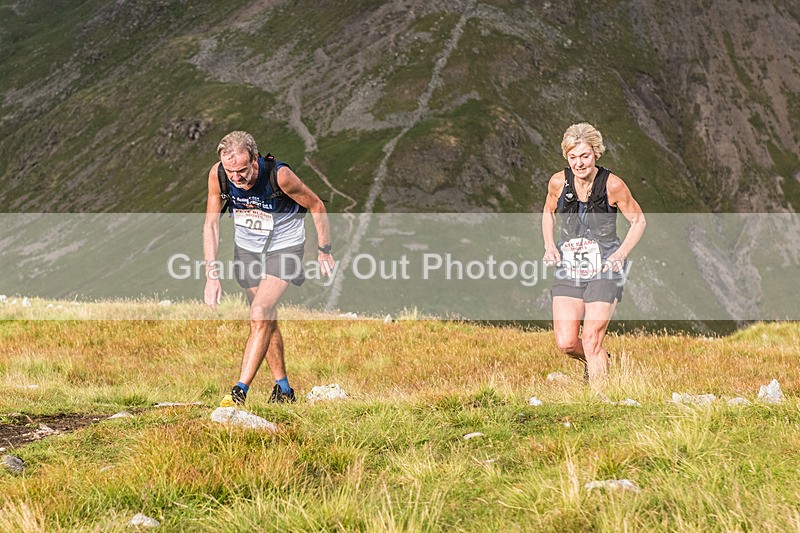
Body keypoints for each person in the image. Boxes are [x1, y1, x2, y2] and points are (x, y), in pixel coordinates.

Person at [203, 131, 334, 406]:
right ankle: (283, 389)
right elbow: (211, 225)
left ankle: (239, 390)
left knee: (259, 312)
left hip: (284, 247)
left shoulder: (280, 176)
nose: (237, 178)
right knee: (265, 318)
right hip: (248, 249)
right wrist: (211, 276)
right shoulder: (219, 175)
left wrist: (324, 251)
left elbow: (317, 205)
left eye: (242, 171)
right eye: (231, 171)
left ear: (255, 160)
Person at [542, 123, 646, 387]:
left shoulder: (613, 185)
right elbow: (547, 212)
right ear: (567, 157)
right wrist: (549, 246)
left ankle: (599, 400)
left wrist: (621, 254)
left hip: (605, 268)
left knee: (590, 338)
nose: (579, 163)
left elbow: (639, 220)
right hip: (569, 266)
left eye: (584, 156)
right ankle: (600, 358)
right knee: (566, 343)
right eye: (573, 157)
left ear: (596, 154)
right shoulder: (558, 182)